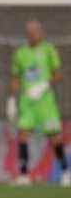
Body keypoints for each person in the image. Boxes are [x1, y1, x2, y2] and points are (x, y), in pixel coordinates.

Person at [7, 19, 69, 187]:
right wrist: (11, 100)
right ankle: (24, 175)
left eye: (34, 31)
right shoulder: (20, 53)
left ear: (40, 32)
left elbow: (58, 74)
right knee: (23, 135)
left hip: (45, 101)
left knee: (55, 136)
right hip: (27, 101)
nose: (32, 35)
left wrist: (43, 85)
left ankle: (65, 172)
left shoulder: (49, 50)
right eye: (29, 32)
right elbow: (15, 77)